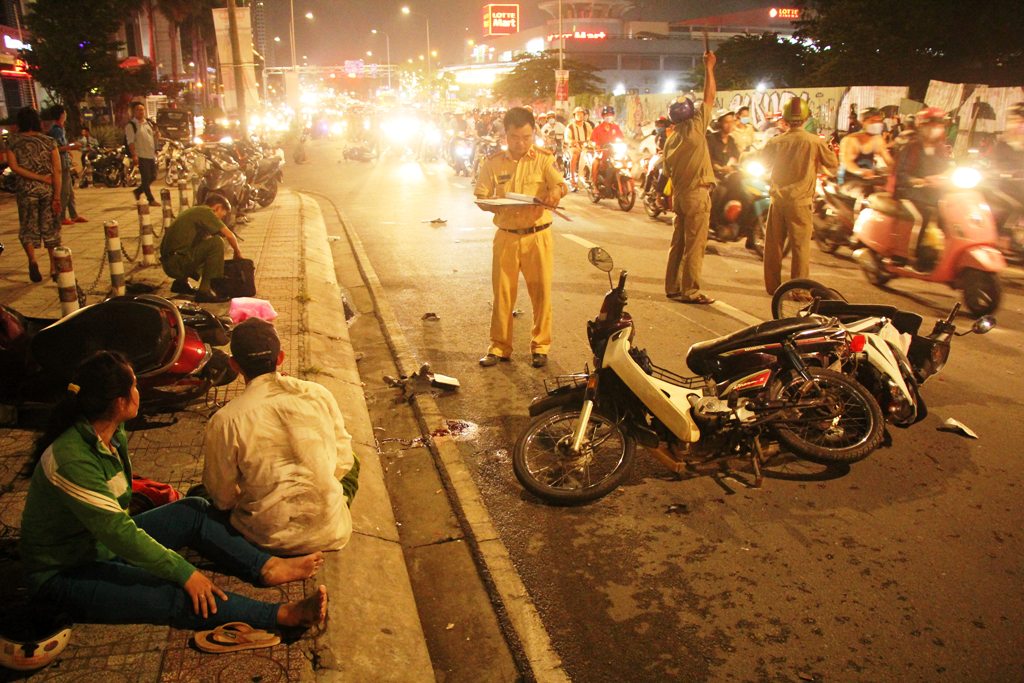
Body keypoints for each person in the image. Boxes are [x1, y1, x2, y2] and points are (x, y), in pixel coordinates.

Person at [19, 350, 329, 631]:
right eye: (135, 386)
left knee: (192, 509)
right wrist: (184, 572)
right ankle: (282, 615)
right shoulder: (72, 458)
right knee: (179, 592)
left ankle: (267, 567)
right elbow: (119, 532)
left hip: (102, 545)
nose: (139, 391)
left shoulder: (111, 433)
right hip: (64, 574)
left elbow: (119, 522)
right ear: (119, 402)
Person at [202, 319, 360, 555]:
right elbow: (343, 461)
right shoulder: (317, 394)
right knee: (354, 458)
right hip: (331, 533)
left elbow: (223, 497)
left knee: (201, 495)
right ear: (280, 358)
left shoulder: (225, 420)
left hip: (266, 538)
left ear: (234, 365)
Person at [475, 107, 567, 369]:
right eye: (515, 137)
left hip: (538, 236)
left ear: (533, 133)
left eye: (527, 137)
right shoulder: (492, 163)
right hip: (506, 237)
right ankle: (499, 347)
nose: (521, 143)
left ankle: (540, 346)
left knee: (541, 293)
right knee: (503, 294)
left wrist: (555, 194)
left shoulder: (544, 159)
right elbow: (481, 195)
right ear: (506, 135)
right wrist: (492, 203)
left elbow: (560, 184)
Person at [761, 98, 838, 295]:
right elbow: (832, 164)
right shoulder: (815, 142)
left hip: (777, 201)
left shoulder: (776, 141)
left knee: (773, 247)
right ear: (805, 118)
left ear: (785, 118)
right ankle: (798, 291)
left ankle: (772, 287)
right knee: (800, 248)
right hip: (801, 202)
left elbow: (763, 163)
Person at [662, 49, 718, 305]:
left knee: (678, 243)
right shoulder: (696, 128)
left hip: (681, 196)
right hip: (697, 195)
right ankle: (691, 291)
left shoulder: (671, 140)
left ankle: (672, 287)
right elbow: (710, 96)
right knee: (695, 246)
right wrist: (709, 68)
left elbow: (666, 173)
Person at [5, 107, 62, 283]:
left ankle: (33, 260)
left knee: (27, 227)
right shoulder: (49, 141)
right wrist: (57, 196)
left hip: (25, 191)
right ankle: (53, 267)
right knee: (50, 227)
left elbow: (13, 167)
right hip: (47, 191)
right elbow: (57, 170)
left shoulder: (13, 141)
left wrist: (35, 178)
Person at [892, 107, 952, 270]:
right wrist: (920, 181)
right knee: (923, 216)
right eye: (931, 124)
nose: (935, 128)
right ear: (922, 126)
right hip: (910, 192)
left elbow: (948, 169)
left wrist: (945, 177)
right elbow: (901, 175)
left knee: (952, 215)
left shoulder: (941, 149)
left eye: (939, 125)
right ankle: (913, 257)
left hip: (934, 193)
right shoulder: (911, 147)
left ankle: (945, 256)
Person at [159, 195, 242, 303]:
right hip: (176, 264)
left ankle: (180, 284)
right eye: (220, 217)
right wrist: (237, 252)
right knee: (217, 243)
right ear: (217, 207)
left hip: (169, 262)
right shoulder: (206, 212)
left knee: (203, 243)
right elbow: (229, 235)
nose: (219, 220)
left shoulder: (195, 211)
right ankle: (206, 291)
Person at [838, 107, 893, 194]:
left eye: (879, 121)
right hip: (849, 180)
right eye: (873, 121)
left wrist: (897, 170)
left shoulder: (878, 139)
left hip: (868, 180)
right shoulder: (851, 140)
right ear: (863, 122)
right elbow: (847, 163)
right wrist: (860, 171)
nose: (877, 124)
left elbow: (888, 159)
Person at [47, 105, 86, 226]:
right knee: (64, 191)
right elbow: (56, 148)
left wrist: (69, 149)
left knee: (70, 191)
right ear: (61, 115)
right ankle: (61, 216)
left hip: (65, 162)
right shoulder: (56, 131)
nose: (66, 115)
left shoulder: (60, 129)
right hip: (60, 164)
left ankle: (74, 215)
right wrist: (71, 147)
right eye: (64, 113)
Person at [126, 102, 160, 207]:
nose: (141, 112)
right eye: (138, 110)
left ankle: (138, 191)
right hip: (141, 155)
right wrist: (134, 155)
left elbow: (153, 136)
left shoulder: (148, 123)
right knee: (146, 178)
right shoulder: (131, 125)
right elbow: (130, 141)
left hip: (150, 154)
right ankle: (150, 199)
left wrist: (157, 136)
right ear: (133, 112)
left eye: (142, 110)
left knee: (153, 176)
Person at [589, 105, 624, 186]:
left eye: (610, 115)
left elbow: (622, 138)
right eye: (607, 115)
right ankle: (594, 184)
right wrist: (597, 146)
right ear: (603, 116)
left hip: (615, 153)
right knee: (596, 163)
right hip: (601, 152)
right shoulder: (597, 129)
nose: (609, 117)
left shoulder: (616, 127)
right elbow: (592, 140)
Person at [563, 106, 594, 191]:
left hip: (585, 147)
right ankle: (573, 179)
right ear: (574, 115)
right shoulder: (570, 126)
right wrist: (573, 142)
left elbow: (592, 136)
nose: (580, 116)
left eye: (581, 114)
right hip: (574, 147)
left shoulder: (587, 125)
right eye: (578, 114)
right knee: (575, 155)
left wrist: (591, 142)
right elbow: (567, 138)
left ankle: (593, 178)